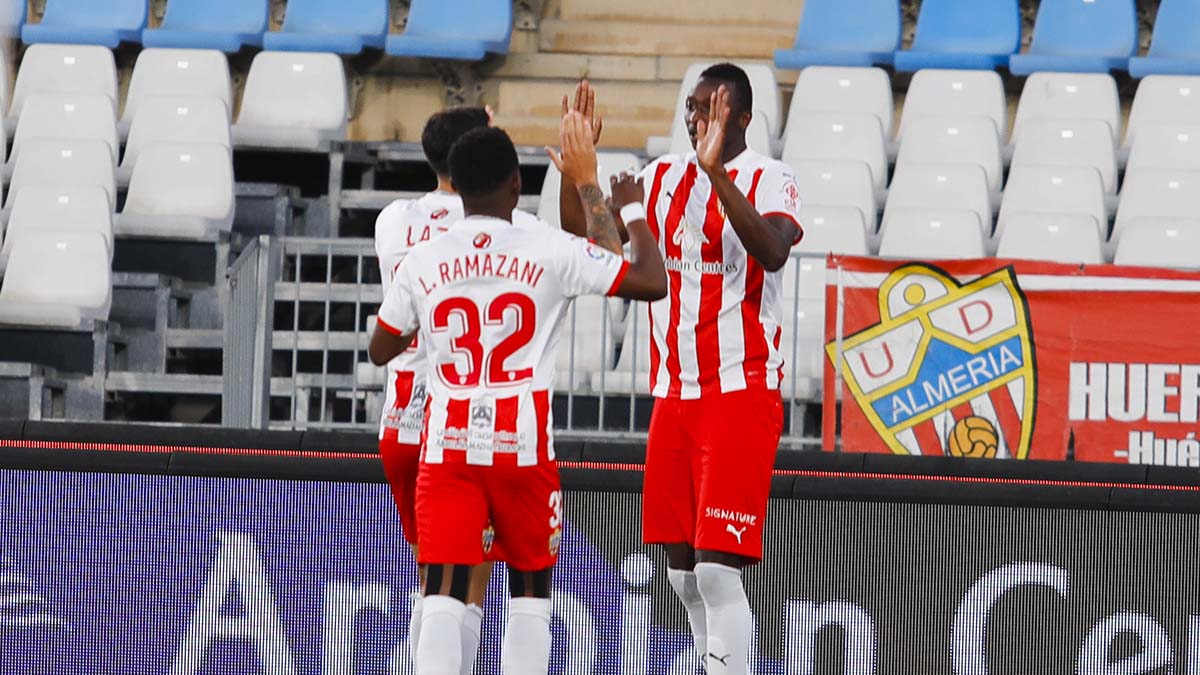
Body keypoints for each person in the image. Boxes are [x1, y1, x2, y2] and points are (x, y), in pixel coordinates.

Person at [368, 120, 666, 674]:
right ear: (515, 187)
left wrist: (430, 321)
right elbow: (650, 282)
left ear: (456, 185)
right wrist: (629, 209)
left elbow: (381, 348)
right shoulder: (547, 247)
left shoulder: (424, 260)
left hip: (447, 448)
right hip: (521, 449)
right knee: (529, 594)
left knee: (442, 590)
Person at [558, 66, 804, 674]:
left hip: (739, 389)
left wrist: (717, 172)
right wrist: (579, 174)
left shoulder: (770, 177)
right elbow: (587, 237)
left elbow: (773, 252)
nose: (697, 119)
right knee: (681, 574)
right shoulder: (661, 176)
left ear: (744, 118)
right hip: (674, 395)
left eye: (712, 109)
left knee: (719, 570)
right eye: (692, 108)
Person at [374, 106, 514, 673]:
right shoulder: (488, 225)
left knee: (431, 576)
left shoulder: (391, 220)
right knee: (468, 582)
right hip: (459, 422)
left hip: (399, 421)